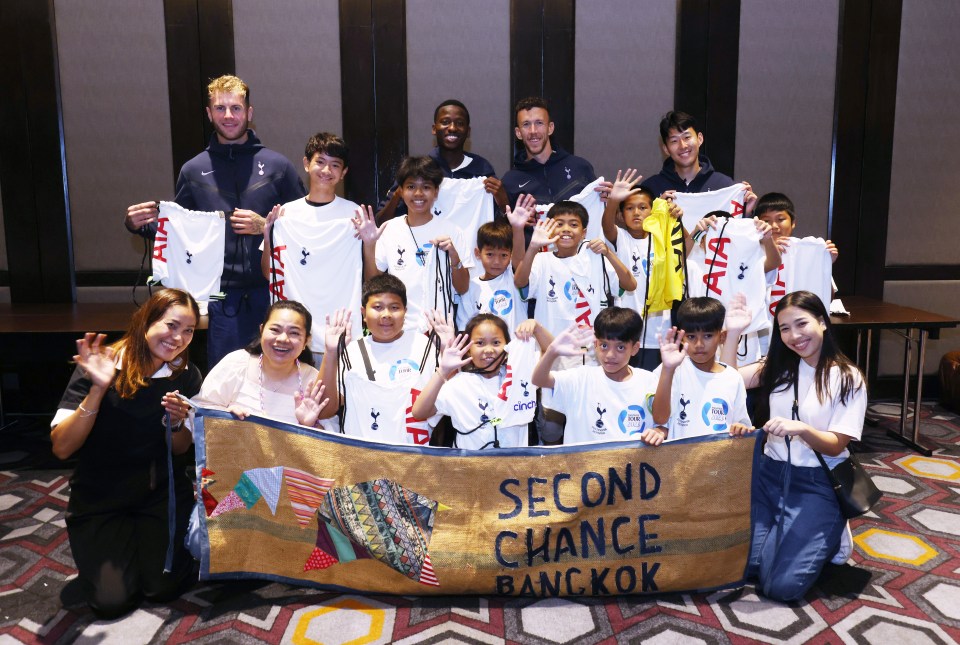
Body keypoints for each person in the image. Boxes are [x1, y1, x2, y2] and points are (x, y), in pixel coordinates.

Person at [125, 75, 305, 368]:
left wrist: (264, 227)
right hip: (222, 299)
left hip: (274, 294)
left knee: (280, 380)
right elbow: (179, 233)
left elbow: (304, 226)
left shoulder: (278, 166)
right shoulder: (193, 170)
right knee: (225, 386)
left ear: (249, 112)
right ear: (209, 114)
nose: (229, 116)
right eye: (220, 108)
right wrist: (139, 225)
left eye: (236, 108)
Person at [50, 289, 202, 618]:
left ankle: (148, 548)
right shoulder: (102, 365)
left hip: (160, 494)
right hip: (100, 497)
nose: (178, 338)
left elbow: (181, 448)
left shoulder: (185, 374)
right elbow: (62, 447)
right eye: (171, 325)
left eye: (188, 330)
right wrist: (98, 388)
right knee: (111, 602)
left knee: (162, 588)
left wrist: (178, 424)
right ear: (146, 320)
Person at [726, 290, 867, 601]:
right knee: (739, 567)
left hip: (817, 483)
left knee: (781, 587)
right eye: (785, 328)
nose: (794, 336)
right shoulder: (778, 367)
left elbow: (835, 445)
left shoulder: (847, 377)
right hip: (769, 476)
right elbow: (728, 380)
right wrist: (734, 332)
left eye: (802, 324)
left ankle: (833, 533)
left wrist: (802, 429)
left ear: (822, 322)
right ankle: (788, 533)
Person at [260, 132, 364, 360]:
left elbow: (370, 272)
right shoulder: (285, 213)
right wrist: (268, 238)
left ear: (344, 172)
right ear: (306, 164)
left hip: (341, 329)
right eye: (320, 162)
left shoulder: (355, 214)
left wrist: (371, 241)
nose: (326, 171)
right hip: (294, 333)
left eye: (335, 165)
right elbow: (269, 274)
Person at [317, 276, 451, 445]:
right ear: (364, 313)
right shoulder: (351, 351)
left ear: (405, 311)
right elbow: (324, 411)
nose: (386, 315)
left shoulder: (425, 347)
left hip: (413, 459)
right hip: (360, 458)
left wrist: (447, 349)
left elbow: (452, 401)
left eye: (394, 307)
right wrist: (330, 353)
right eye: (378, 307)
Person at [531, 307, 682, 445]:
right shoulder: (581, 378)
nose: (610, 355)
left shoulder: (649, 380)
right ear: (595, 344)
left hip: (632, 471)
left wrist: (659, 431)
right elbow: (538, 379)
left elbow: (661, 420)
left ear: (635, 348)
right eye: (604, 345)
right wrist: (552, 352)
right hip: (583, 471)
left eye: (620, 347)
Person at [514, 201, 636, 367]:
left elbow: (630, 284)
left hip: (590, 353)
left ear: (584, 232)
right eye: (559, 224)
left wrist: (608, 253)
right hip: (551, 349)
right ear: (549, 229)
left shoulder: (595, 258)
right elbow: (519, 282)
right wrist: (533, 247)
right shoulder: (541, 260)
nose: (566, 229)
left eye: (573, 224)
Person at [358, 156, 472, 332]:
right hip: (398, 329)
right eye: (411, 187)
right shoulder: (390, 228)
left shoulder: (452, 230)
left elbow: (463, 288)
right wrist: (369, 245)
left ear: (436, 192)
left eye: (426, 187)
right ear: (401, 191)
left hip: (440, 330)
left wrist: (455, 259)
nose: (418, 194)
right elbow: (373, 283)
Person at [411, 315, 552, 449]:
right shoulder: (459, 384)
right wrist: (442, 371)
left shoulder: (521, 375)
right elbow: (419, 412)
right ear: (468, 350)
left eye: (496, 342)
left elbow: (551, 352)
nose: (489, 350)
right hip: (471, 469)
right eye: (480, 343)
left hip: (514, 469)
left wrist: (536, 327)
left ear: (508, 348)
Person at [601, 168, 693, 369]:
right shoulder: (622, 239)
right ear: (620, 215)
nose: (636, 213)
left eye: (643, 207)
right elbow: (607, 226)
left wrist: (676, 219)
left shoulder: (662, 238)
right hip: (624, 331)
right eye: (629, 208)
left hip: (658, 332)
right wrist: (613, 201)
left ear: (653, 211)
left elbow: (686, 247)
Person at [194, 300, 329, 428]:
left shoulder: (314, 382)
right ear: (261, 330)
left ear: (306, 340)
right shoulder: (236, 364)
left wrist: (309, 426)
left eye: (294, 333)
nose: (283, 339)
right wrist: (224, 417)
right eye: (275, 330)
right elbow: (198, 417)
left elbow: (330, 444)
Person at [376, 99, 508, 223]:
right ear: (434, 129)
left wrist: (503, 202)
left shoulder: (482, 169)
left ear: (468, 132)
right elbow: (380, 224)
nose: (452, 128)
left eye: (460, 123)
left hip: (471, 247)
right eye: (445, 122)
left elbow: (499, 227)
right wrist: (397, 196)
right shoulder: (418, 170)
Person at [652, 296, 751, 441]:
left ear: (722, 337)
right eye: (691, 337)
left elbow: (742, 423)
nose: (699, 344)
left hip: (720, 460)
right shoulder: (673, 369)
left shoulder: (733, 377)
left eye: (708, 336)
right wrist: (668, 369)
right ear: (682, 337)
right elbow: (660, 418)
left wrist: (740, 428)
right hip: (677, 460)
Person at [501, 97, 608, 208]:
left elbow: (600, 217)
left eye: (539, 123)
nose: (533, 131)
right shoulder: (510, 182)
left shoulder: (580, 167)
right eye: (526, 124)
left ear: (550, 128)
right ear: (518, 133)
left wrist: (612, 203)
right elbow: (505, 223)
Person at [456, 195, 536, 331]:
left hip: (519, 350)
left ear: (510, 255)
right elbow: (466, 328)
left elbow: (519, 260)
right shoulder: (470, 287)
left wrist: (517, 228)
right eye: (490, 254)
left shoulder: (514, 277)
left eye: (504, 255)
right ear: (477, 253)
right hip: (487, 351)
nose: (497, 261)